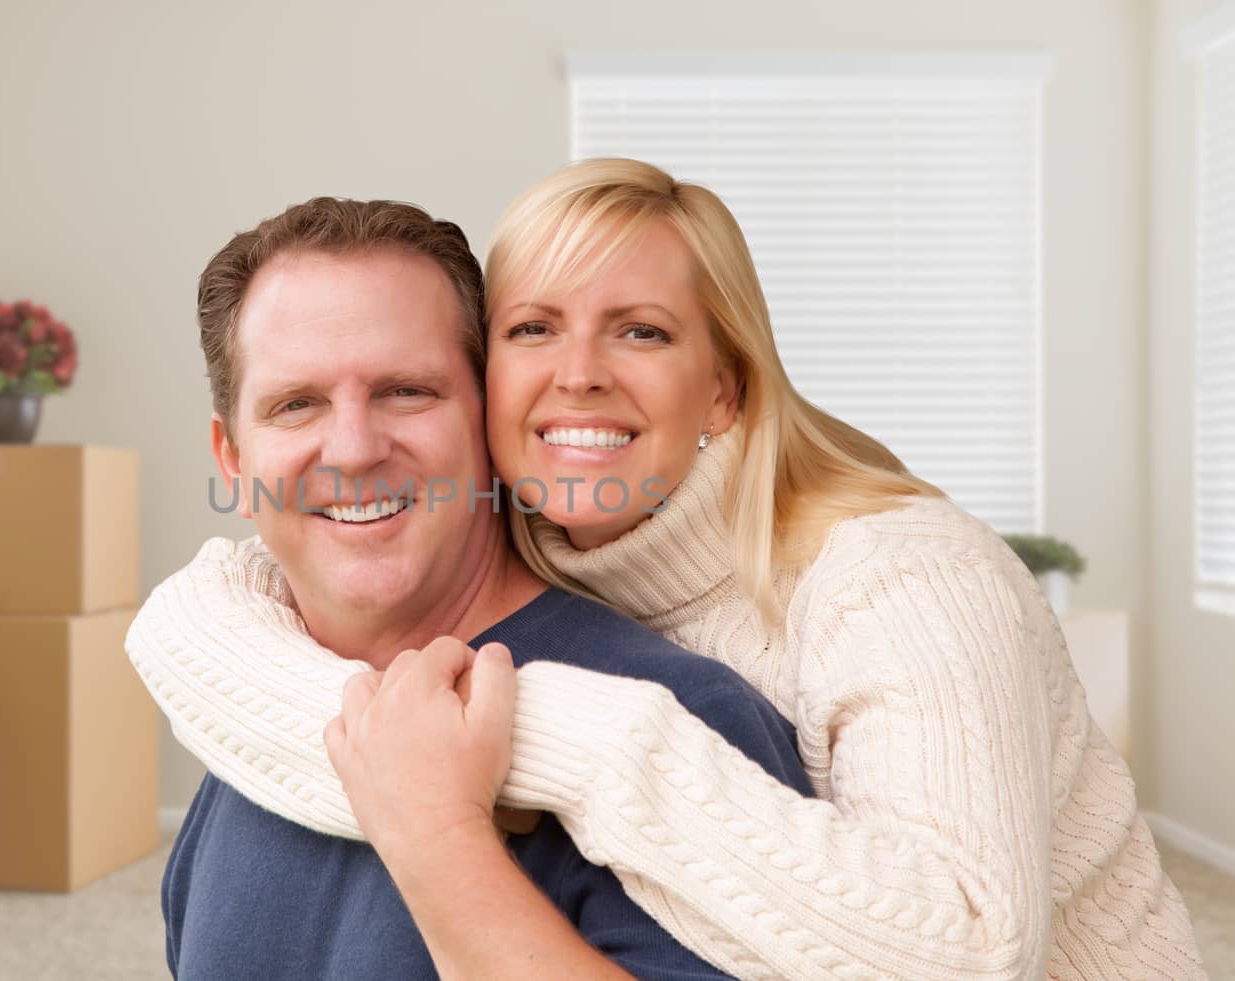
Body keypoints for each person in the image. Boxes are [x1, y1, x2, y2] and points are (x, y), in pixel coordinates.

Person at [127, 159, 1207, 980]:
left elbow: (969, 952)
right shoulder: (274, 693)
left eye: (407, 391)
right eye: (294, 404)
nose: (579, 378)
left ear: (725, 388)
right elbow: (203, 620)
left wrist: (520, 773)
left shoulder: (883, 594)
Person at [134, 196, 814, 980]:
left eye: (406, 391)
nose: (353, 449)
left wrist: (442, 836)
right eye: (297, 405)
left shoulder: (683, 718)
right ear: (232, 460)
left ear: (487, 416)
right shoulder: (255, 718)